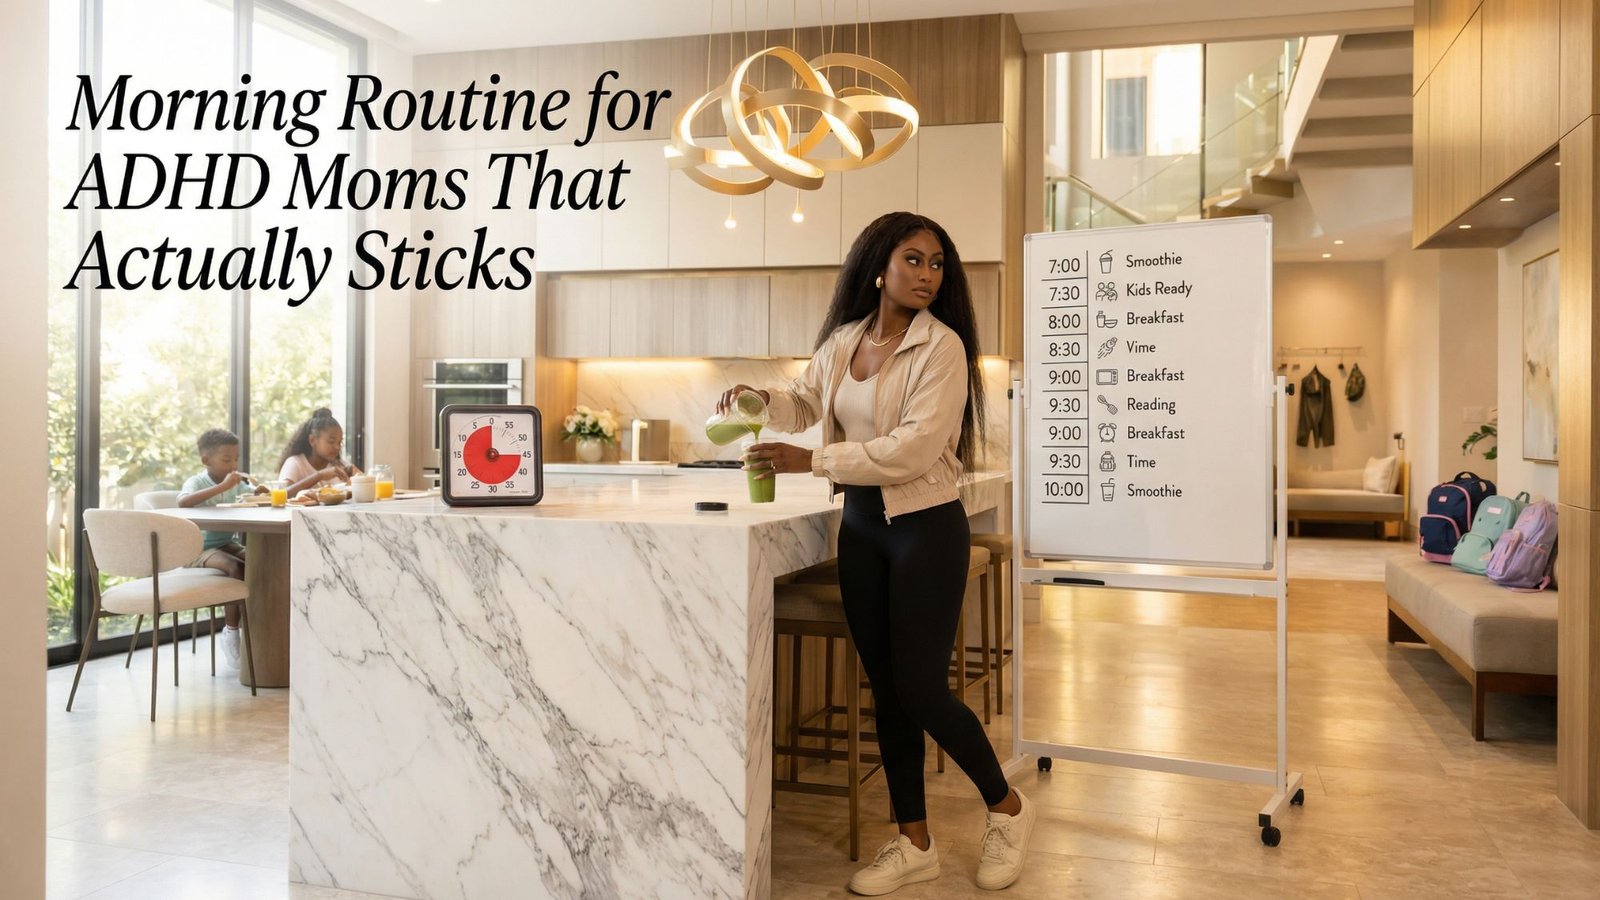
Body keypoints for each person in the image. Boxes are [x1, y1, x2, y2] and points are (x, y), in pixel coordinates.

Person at [718, 212, 1035, 895]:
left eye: (937, 264)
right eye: (914, 260)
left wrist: (814, 460)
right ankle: (912, 841)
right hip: (862, 531)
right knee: (886, 692)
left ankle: (1007, 809)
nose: (928, 275)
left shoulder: (942, 348)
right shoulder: (843, 340)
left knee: (920, 687)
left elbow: (915, 448)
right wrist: (758, 399)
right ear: (877, 267)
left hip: (924, 530)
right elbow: (804, 401)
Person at [177, 428, 261, 668]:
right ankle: (231, 631)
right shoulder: (198, 482)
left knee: (259, 562)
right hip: (195, 550)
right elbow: (183, 501)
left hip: (225, 544)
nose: (233, 464)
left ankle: (256, 630)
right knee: (233, 566)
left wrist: (262, 491)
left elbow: (253, 496)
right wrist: (223, 487)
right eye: (226, 459)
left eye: (235, 459)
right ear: (206, 460)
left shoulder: (234, 485)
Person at [277, 408, 360, 497]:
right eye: (331, 442)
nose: (337, 447)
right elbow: (282, 494)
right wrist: (319, 476)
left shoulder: (339, 466)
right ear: (312, 440)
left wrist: (358, 479)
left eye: (339, 442)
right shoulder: (295, 463)